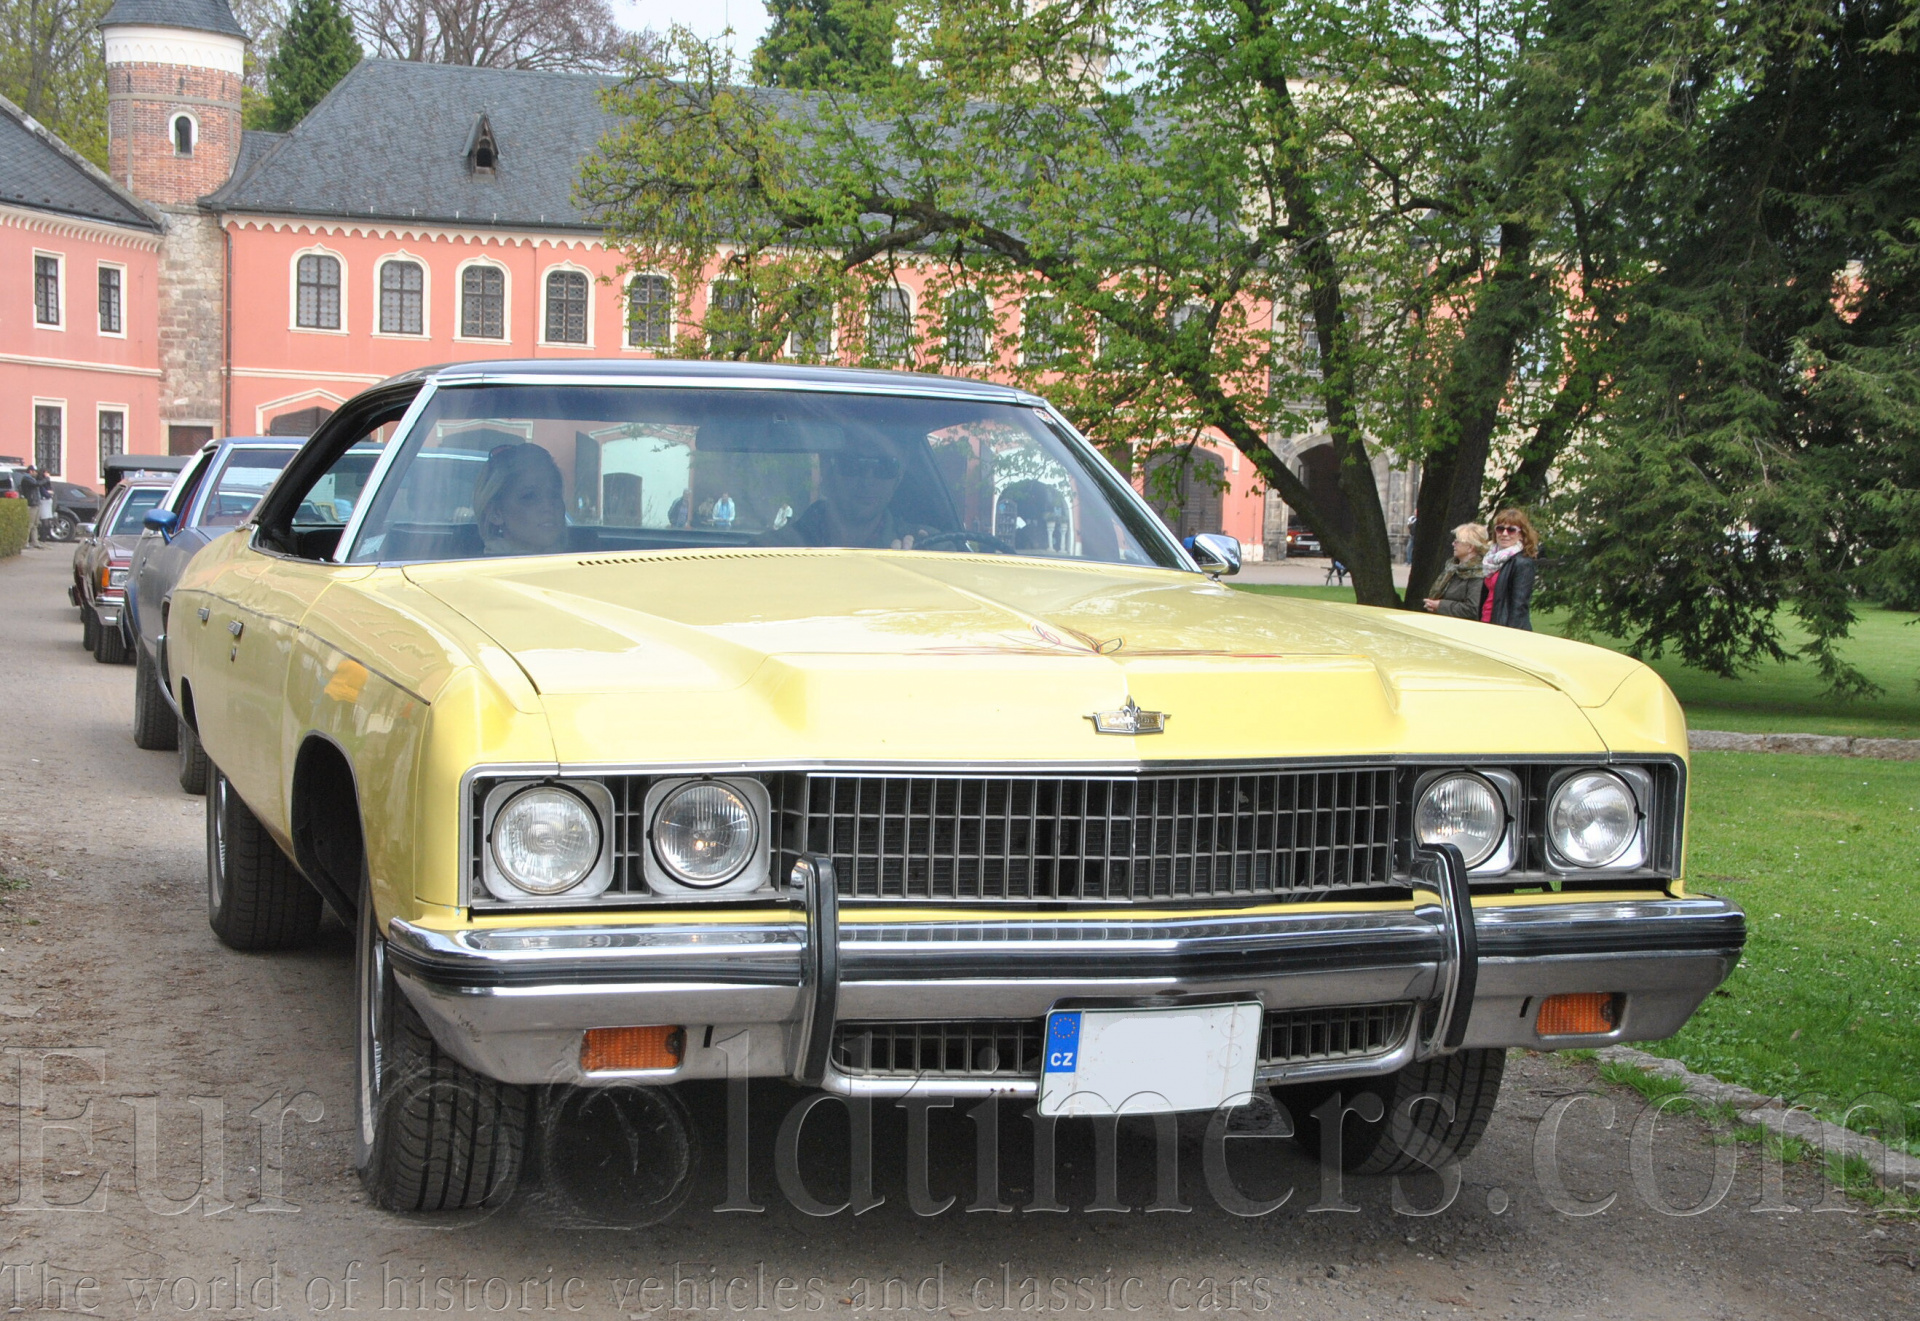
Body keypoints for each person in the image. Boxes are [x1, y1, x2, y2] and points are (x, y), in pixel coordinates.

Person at [758, 436, 931, 549]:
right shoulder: (772, 551)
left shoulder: (928, 549)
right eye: (852, 465)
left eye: (884, 467)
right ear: (827, 471)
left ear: (898, 478)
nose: (867, 481)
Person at [472, 444, 568, 557]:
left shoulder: (578, 559)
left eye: (554, 494)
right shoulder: (485, 566)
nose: (548, 506)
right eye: (529, 496)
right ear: (495, 513)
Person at [1481, 507, 1539, 630]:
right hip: (1486, 620)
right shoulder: (1491, 559)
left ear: (1521, 534)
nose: (1504, 534)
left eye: (1511, 530)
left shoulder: (1523, 563)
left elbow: (1519, 605)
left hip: (1504, 627)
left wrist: (1510, 633)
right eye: (1500, 529)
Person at [1422, 523, 1488, 618]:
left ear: (1470, 547)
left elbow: (1473, 609)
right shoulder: (1452, 568)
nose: (1453, 544)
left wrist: (1440, 606)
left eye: (1457, 542)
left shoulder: (1478, 573)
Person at [18, 468, 45, 548]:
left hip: (36, 503)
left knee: (35, 524)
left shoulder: (32, 479)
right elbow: (36, 484)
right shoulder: (27, 479)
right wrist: (46, 479)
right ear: (30, 471)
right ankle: (25, 542)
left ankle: (35, 541)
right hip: (31, 503)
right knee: (30, 523)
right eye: (35, 472)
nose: (36, 473)